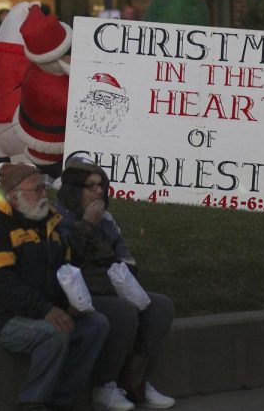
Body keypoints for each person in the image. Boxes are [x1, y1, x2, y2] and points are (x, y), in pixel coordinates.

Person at [0, 163, 109, 411]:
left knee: (96, 324)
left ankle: (61, 400)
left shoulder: (47, 222)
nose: (44, 194)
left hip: (40, 309)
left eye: (44, 187)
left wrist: (70, 303)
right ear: (13, 196)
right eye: (36, 189)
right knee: (53, 333)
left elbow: (67, 266)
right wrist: (45, 309)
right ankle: (33, 402)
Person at [56, 156, 176, 410]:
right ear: (74, 190)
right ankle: (105, 385)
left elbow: (126, 258)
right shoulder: (58, 218)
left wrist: (123, 274)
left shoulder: (107, 220)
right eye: (90, 186)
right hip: (80, 295)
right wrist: (87, 225)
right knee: (123, 312)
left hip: (110, 287)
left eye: (101, 185)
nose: (98, 191)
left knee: (160, 306)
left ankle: (137, 381)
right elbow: (66, 257)